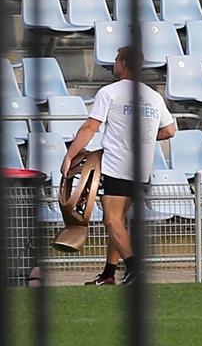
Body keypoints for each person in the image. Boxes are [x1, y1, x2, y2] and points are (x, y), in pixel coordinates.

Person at [60, 46, 176, 286]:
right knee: (119, 221)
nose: (114, 64)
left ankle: (135, 269)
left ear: (123, 63)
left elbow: (90, 127)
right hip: (141, 168)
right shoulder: (153, 96)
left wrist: (70, 156)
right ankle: (109, 273)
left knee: (111, 221)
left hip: (117, 164)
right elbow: (169, 130)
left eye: (116, 60)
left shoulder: (110, 92)